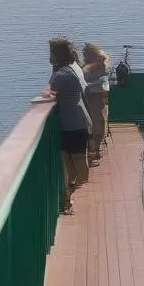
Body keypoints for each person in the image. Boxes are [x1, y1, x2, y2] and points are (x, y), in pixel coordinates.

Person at [48, 37, 93, 214]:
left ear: (57, 54)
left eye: (51, 52)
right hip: (76, 122)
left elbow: (50, 92)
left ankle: (69, 193)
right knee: (70, 165)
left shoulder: (62, 74)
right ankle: (68, 196)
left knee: (80, 168)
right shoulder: (70, 69)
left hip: (74, 125)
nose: (49, 56)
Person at [82, 43, 111, 166]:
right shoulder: (88, 67)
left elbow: (105, 58)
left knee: (98, 124)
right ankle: (94, 151)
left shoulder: (98, 65)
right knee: (96, 124)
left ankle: (95, 150)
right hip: (92, 96)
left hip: (97, 97)